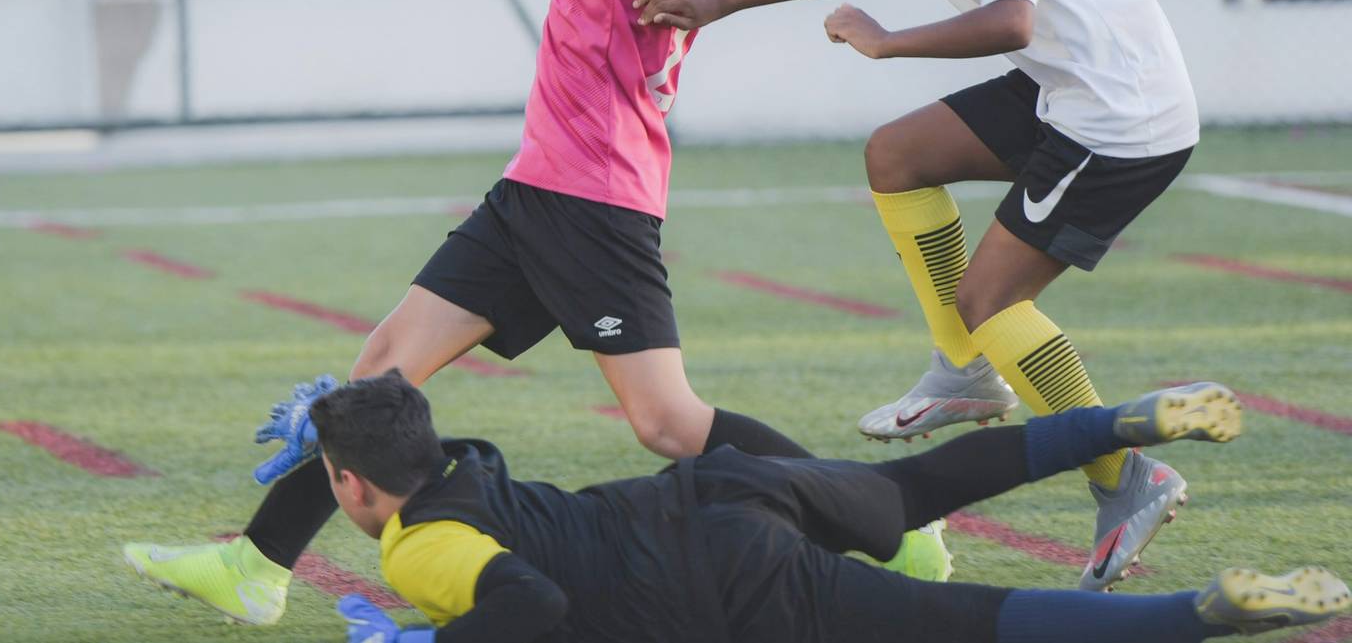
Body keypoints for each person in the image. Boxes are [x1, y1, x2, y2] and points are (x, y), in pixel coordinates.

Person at [122, 0, 937, 625]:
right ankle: (257, 564)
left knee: (669, 423)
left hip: (590, 203)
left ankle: (884, 519)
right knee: (382, 370)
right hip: (539, 194)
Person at [633, 0, 1202, 590]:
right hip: (1064, 89)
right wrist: (718, 3)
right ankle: (964, 369)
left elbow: (1012, 21)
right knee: (896, 155)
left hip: (1122, 118)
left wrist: (888, 42)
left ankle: (1126, 475)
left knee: (990, 299)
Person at [313, 372, 1346, 643]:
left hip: (714, 579)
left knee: (953, 622)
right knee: (922, 486)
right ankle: (1117, 422)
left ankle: (1197, 613)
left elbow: (530, 604)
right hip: (723, 485)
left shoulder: (412, 545)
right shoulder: (465, 466)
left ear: (354, 485)